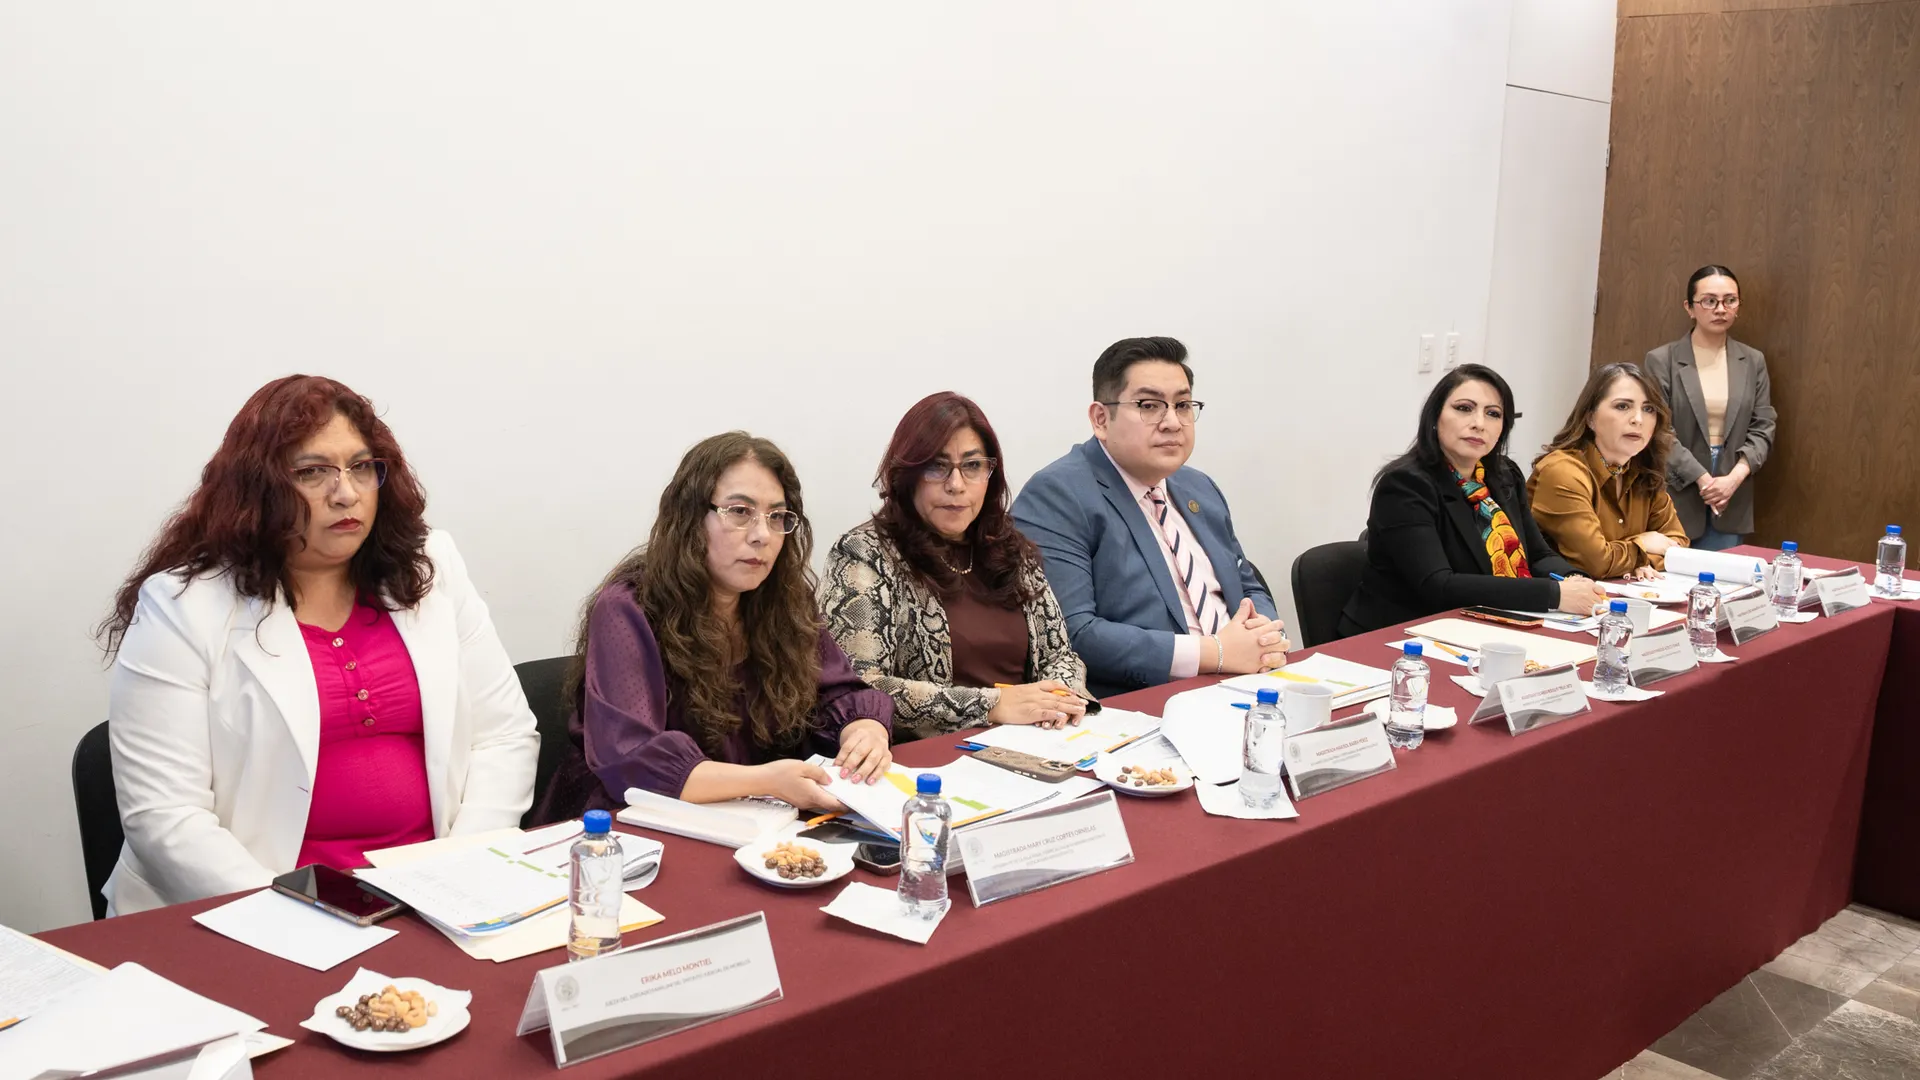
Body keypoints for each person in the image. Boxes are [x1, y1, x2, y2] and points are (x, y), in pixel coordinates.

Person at [98, 376, 539, 915]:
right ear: (258, 489)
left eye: (361, 467)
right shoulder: (183, 606)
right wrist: (301, 912)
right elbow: (166, 816)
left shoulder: (431, 569)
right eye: (312, 472)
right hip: (257, 907)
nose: (346, 493)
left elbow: (504, 737)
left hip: (432, 895)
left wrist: (458, 872)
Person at [536, 432, 893, 822]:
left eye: (777, 517)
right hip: (628, 822)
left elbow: (836, 693)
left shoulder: (784, 599)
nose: (762, 535)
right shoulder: (629, 607)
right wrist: (765, 781)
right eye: (739, 511)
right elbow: (633, 760)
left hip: (759, 817)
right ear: (690, 518)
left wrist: (864, 729)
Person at [1012, 336, 1287, 699]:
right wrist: (1215, 653)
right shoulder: (1058, 494)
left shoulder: (1199, 487)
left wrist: (1263, 637)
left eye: (1183, 405)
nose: (1172, 422)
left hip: (1248, 685)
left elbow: (1247, 586)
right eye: (1149, 405)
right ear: (1101, 419)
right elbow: (1072, 633)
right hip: (1145, 703)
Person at [823, 392, 1094, 742]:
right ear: (907, 475)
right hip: (930, 756)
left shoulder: (1010, 547)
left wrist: (1059, 699)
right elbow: (858, 687)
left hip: (1035, 742)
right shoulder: (864, 553)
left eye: (972, 466)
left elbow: (1060, 655)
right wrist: (992, 705)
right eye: (937, 467)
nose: (956, 485)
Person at [1339, 365, 1609, 635]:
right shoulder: (1405, 485)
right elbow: (1438, 585)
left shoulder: (1504, 475)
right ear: (1435, 416)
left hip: (1481, 626)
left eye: (1493, 414)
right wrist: (1554, 594)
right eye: (1464, 408)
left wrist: (1574, 580)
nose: (1479, 423)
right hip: (1400, 634)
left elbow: (1537, 555)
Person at [1644, 265, 1777, 551]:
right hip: (1677, 485)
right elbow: (1659, 429)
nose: (1720, 309)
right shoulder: (1662, 360)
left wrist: (1733, 479)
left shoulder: (1752, 361)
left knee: (1721, 575)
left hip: (1732, 489)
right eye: (1709, 301)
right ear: (1689, 307)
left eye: (1730, 300)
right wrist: (1703, 479)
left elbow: (1763, 426)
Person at [1527, 362, 1691, 581]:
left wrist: (1639, 562)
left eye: (1648, 409)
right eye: (1622, 406)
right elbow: (1596, 562)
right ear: (1590, 418)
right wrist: (1642, 545)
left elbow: (1678, 544)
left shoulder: (1644, 470)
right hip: (1563, 597)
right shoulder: (1562, 471)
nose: (1638, 419)